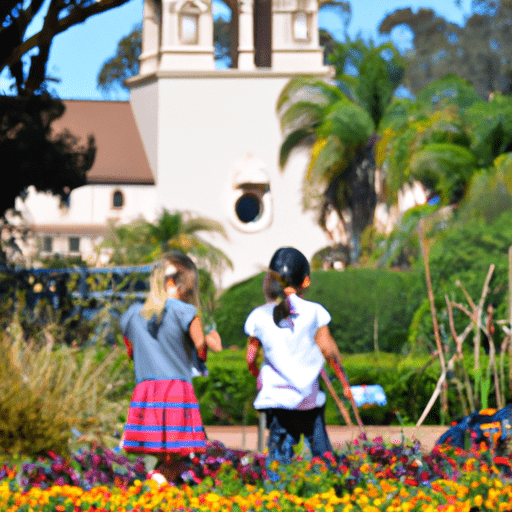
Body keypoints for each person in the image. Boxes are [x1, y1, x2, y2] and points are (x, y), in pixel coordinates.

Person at [120, 251, 222, 484]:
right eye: (189, 288)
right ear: (171, 284)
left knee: (158, 451)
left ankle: (158, 489)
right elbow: (200, 348)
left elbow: (131, 351)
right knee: (189, 454)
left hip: (146, 393)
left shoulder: (131, 315)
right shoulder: (186, 312)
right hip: (176, 392)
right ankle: (157, 480)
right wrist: (205, 343)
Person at [245, 247, 350, 466]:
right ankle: (335, 486)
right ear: (306, 281)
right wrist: (344, 382)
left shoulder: (259, 315)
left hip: (277, 399)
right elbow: (328, 351)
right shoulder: (314, 311)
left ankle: (277, 493)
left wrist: (257, 374)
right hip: (308, 397)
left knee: (278, 456)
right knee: (322, 452)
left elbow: (250, 357)